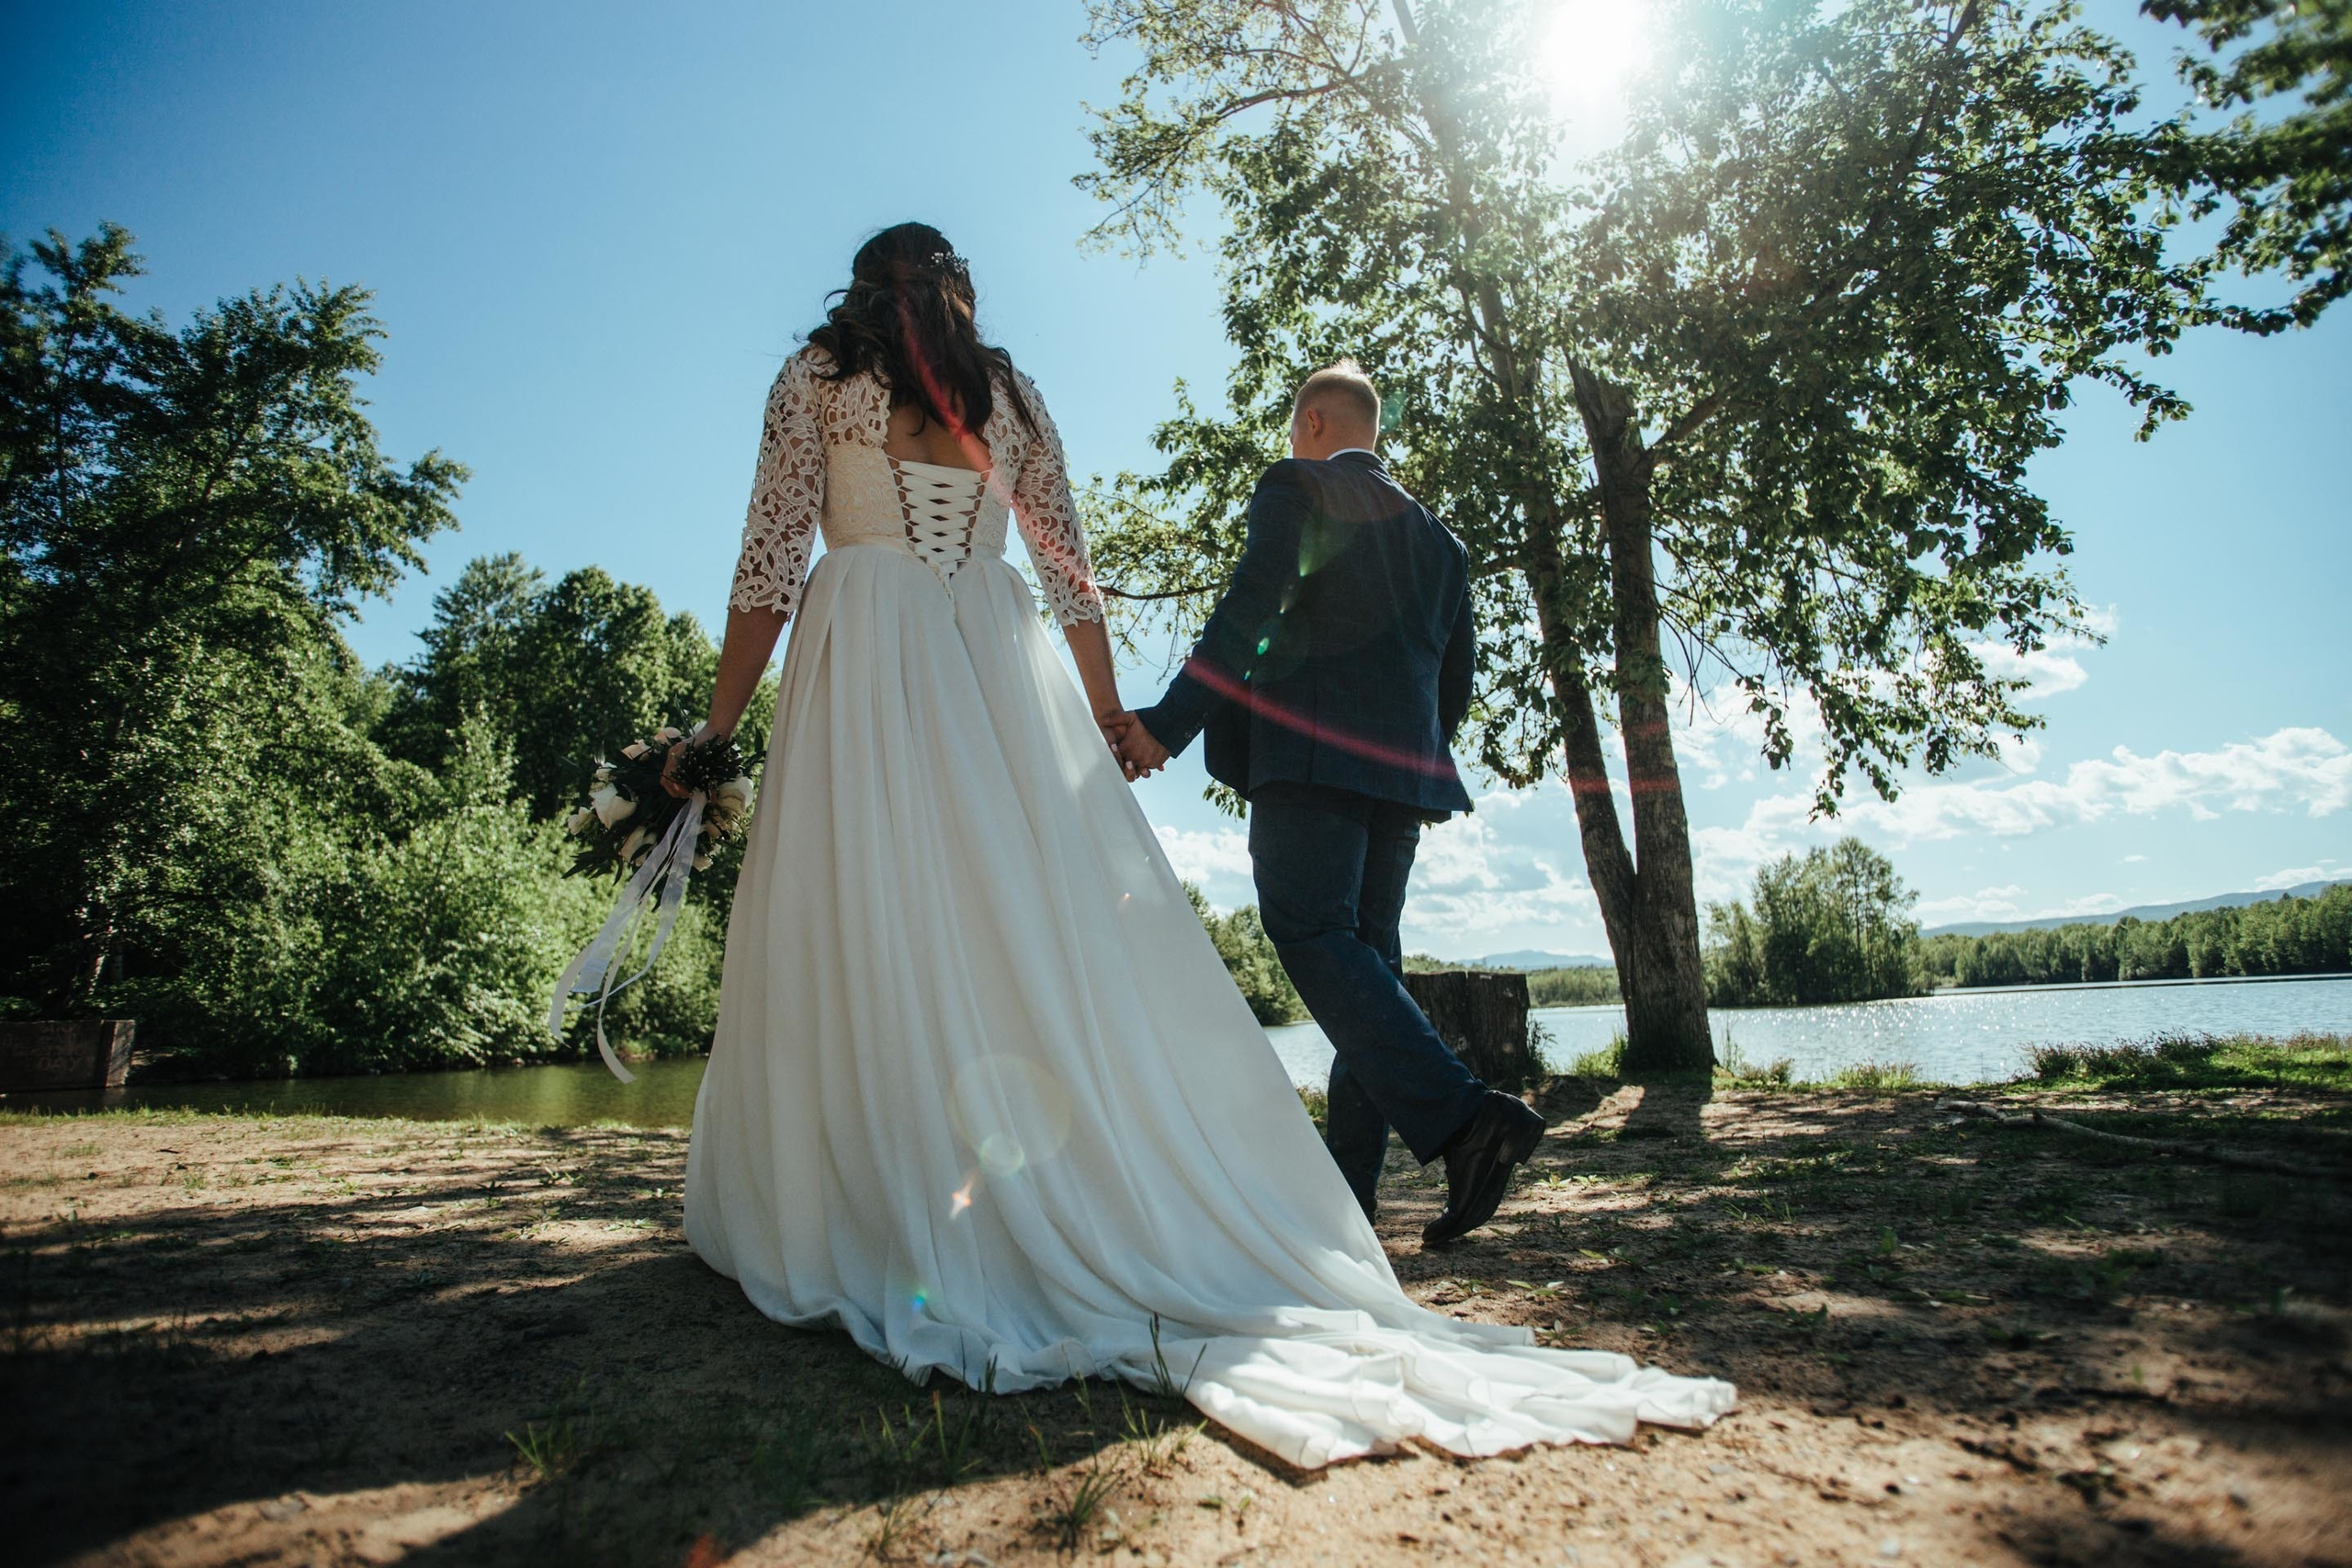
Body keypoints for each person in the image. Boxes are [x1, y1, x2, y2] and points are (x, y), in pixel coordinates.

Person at [673, 222, 1734, 1469]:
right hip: (1070, 678)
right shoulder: (1014, 395)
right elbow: (1070, 572)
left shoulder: (817, 377)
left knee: (889, 911)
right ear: (961, 295)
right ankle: (1363, 1172)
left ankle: (1441, 1124)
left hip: (882, 654)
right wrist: (1106, 713)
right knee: (1206, 944)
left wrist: (719, 727)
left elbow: (771, 559)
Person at [1113, 363, 1539, 1245]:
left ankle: (1467, 1122)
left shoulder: (1296, 484)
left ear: (1310, 421)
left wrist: (1168, 723)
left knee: (1309, 932)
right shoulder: (1443, 542)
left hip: (1310, 763)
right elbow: (1450, 683)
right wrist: (1407, 756)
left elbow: (1248, 612)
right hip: (1403, 775)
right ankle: (1348, 1202)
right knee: (1366, 971)